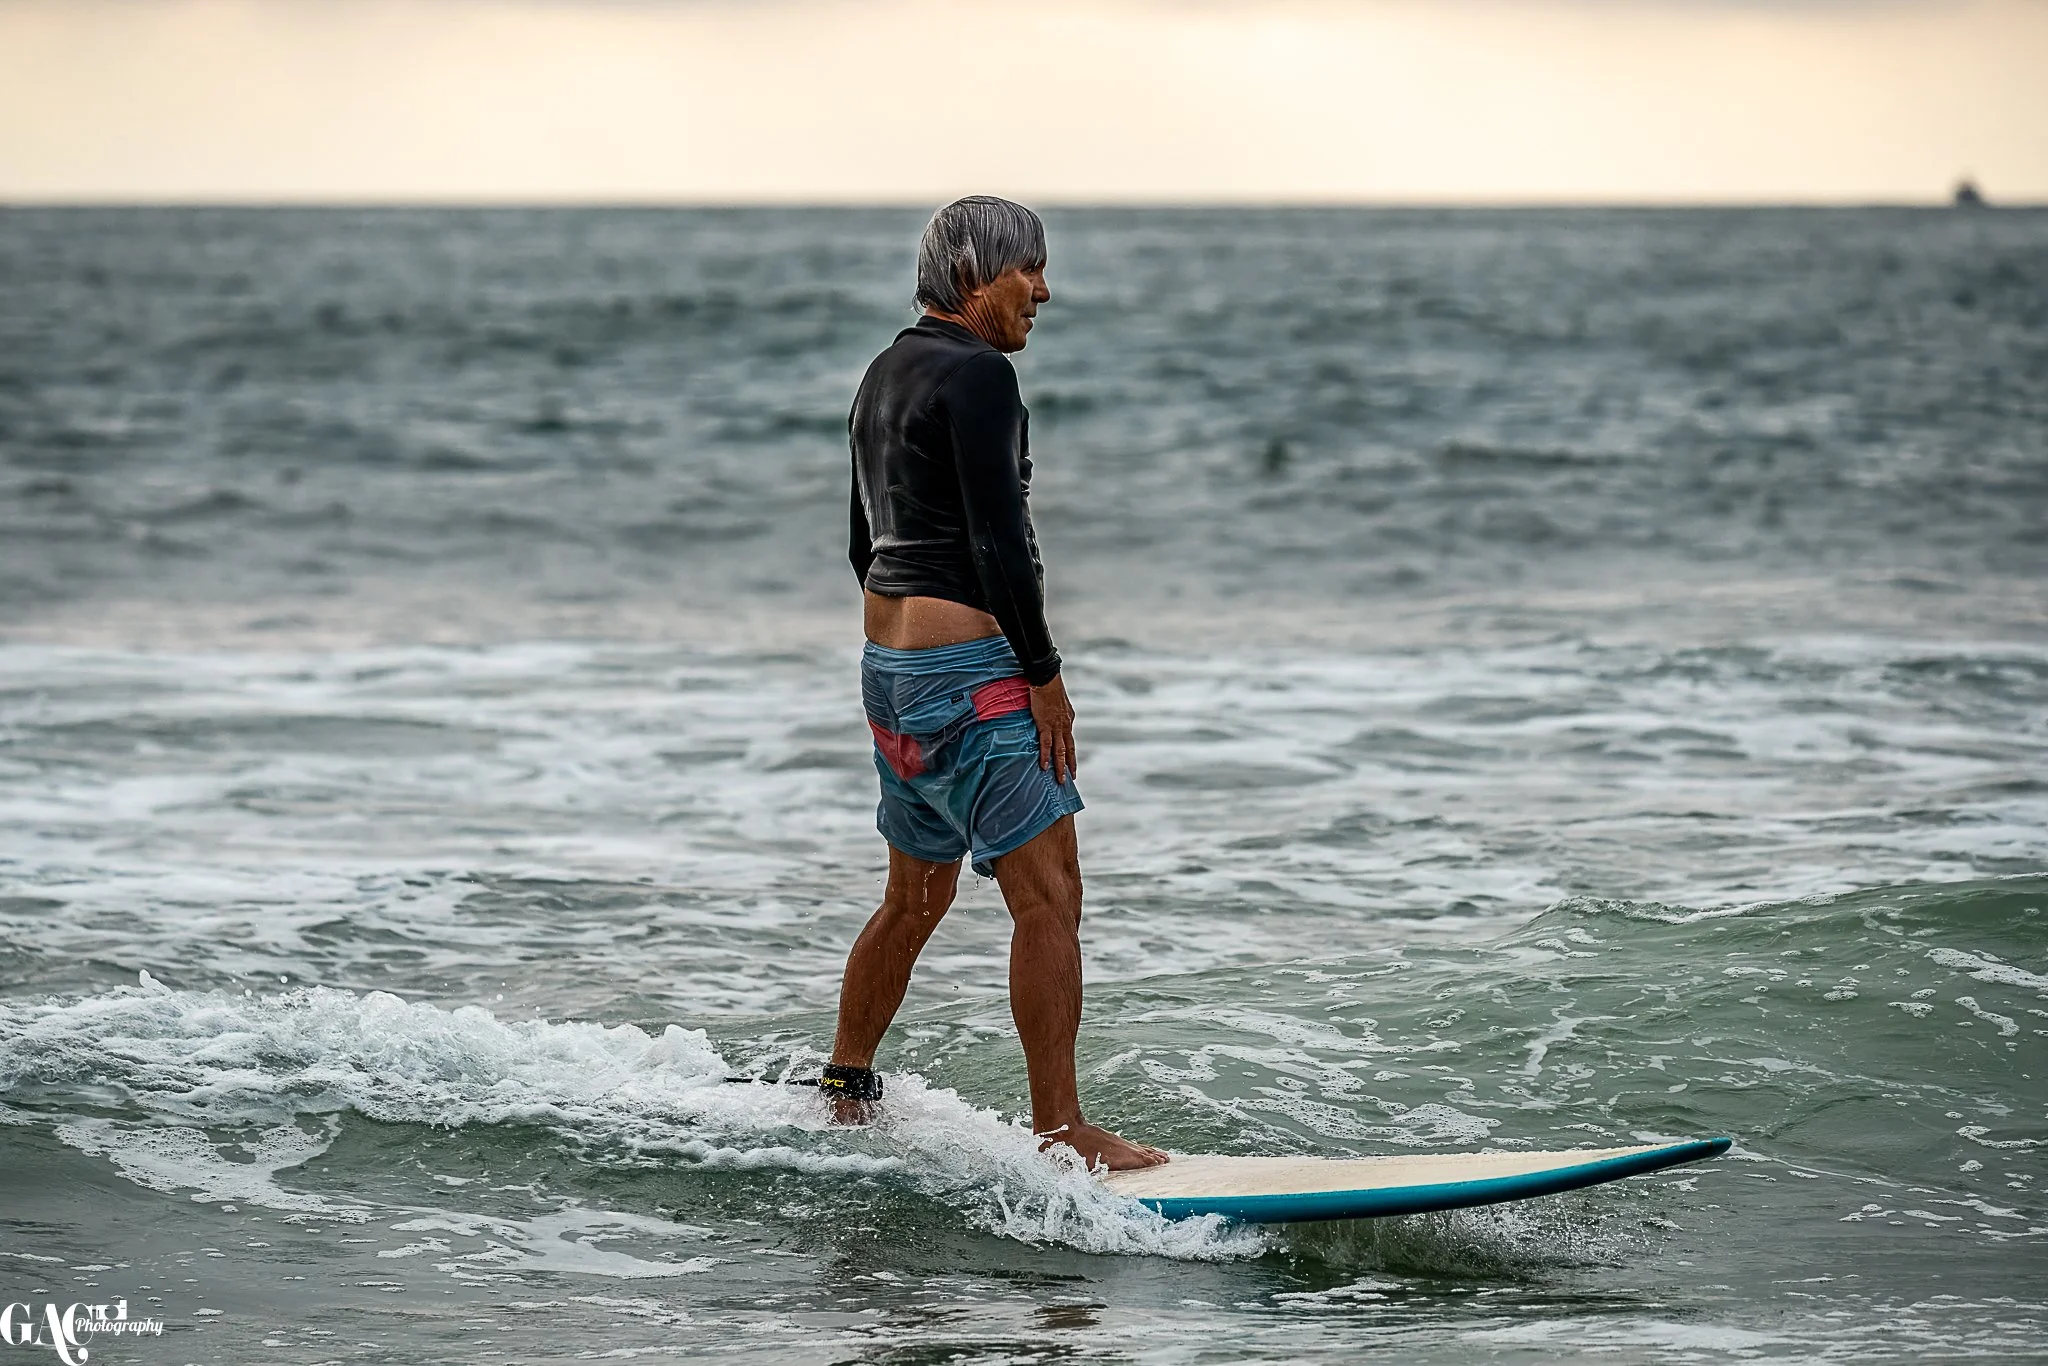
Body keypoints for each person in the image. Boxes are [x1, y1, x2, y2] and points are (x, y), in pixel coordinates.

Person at [825, 196, 1167, 1172]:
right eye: (1029, 271)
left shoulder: (882, 373)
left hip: (889, 671)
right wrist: (1043, 676)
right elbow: (996, 538)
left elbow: (864, 541)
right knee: (1049, 895)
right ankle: (1061, 1131)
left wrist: (911, 657)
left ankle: (846, 1087)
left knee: (912, 897)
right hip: (972, 676)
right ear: (975, 274)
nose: (1043, 291)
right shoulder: (979, 377)